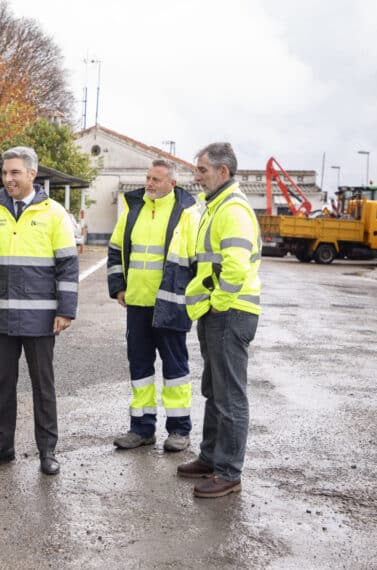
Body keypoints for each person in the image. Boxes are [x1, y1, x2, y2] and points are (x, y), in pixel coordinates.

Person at [0, 146, 79, 476]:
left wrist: (66, 310)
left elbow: (68, 267)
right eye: (4, 172)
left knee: (43, 386)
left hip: (41, 318)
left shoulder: (54, 213)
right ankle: (2, 447)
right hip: (2, 316)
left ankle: (48, 451)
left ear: (32, 174)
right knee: (3, 384)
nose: (8, 178)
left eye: (15, 172)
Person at [178, 142, 261, 498]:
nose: (196, 177)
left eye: (202, 170)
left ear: (222, 172)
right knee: (214, 389)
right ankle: (212, 457)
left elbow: (237, 267)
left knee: (230, 396)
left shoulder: (233, 209)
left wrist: (218, 304)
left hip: (229, 312)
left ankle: (229, 472)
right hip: (218, 312)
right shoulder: (216, 207)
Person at [107, 159, 201, 453]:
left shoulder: (187, 213)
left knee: (175, 368)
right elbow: (115, 250)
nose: (149, 183)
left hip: (170, 304)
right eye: (147, 178)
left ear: (172, 183)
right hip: (137, 302)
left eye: (156, 180)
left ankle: (179, 430)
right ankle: (142, 429)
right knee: (140, 367)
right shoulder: (133, 209)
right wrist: (118, 287)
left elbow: (197, 259)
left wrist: (192, 298)